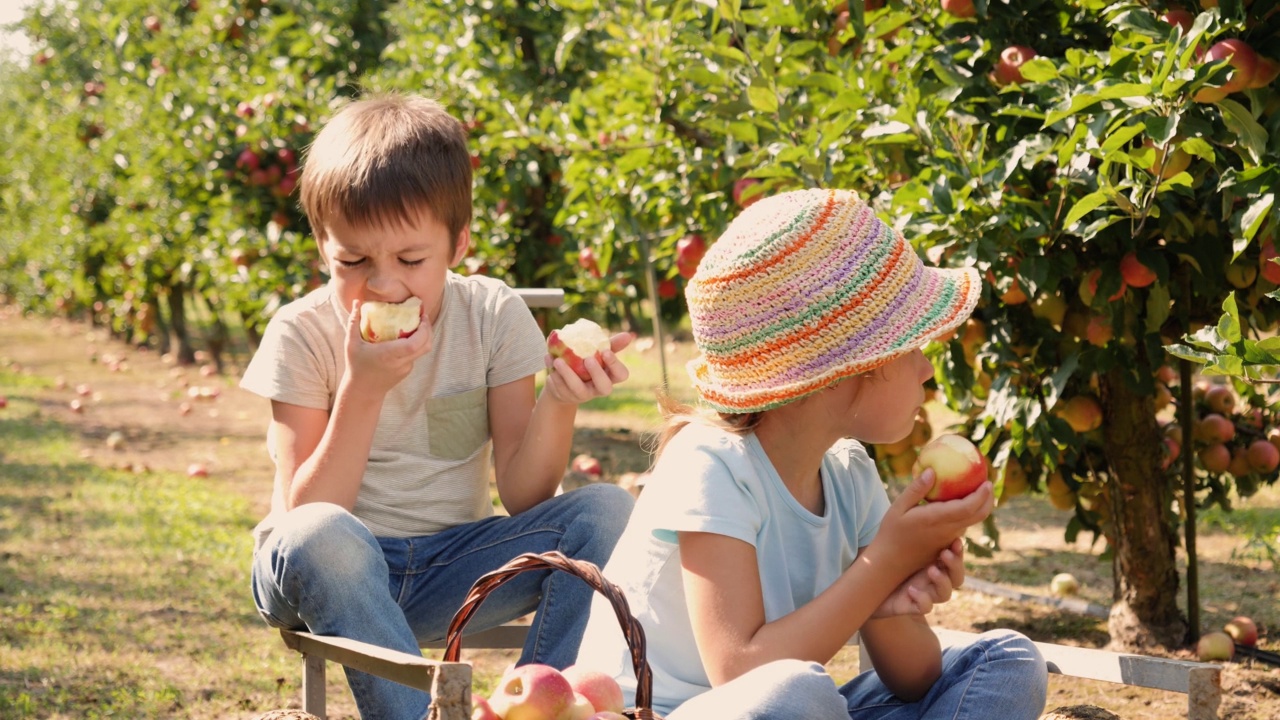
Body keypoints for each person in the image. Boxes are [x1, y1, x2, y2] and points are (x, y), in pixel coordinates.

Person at [576, 188, 1048, 719]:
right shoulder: (709, 463)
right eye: (912, 345)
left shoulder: (848, 471)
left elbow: (915, 680)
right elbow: (740, 674)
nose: (928, 370)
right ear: (850, 367)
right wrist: (883, 561)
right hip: (667, 713)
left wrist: (892, 597)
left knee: (1005, 659)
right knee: (799, 694)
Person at [241, 94, 636, 720]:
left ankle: (539, 708)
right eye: (352, 261)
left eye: (411, 259)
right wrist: (362, 388)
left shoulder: (494, 316)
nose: (384, 283)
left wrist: (558, 400)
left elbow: (526, 499)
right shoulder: (302, 332)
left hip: (453, 570)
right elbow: (306, 512)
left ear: (457, 245)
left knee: (609, 510)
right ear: (322, 247)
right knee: (322, 534)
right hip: (327, 573)